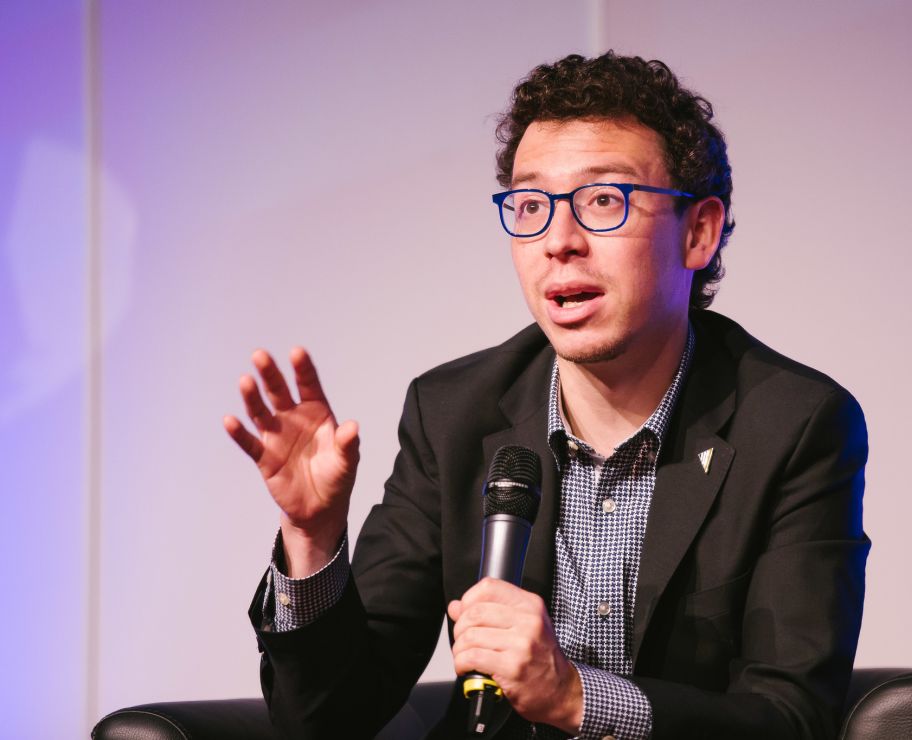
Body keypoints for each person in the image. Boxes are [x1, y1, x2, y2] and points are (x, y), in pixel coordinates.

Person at [225, 52, 869, 739]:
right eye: (531, 205)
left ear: (699, 232)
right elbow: (328, 718)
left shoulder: (794, 425)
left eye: (603, 201)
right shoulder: (453, 414)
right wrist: (313, 538)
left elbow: (791, 719)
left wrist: (577, 699)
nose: (559, 242)